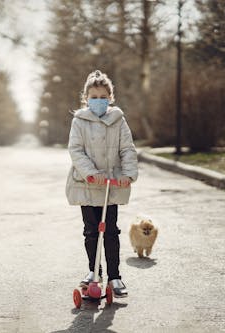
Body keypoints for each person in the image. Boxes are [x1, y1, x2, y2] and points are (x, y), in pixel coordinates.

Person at [65, 70, 138, 298]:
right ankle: (93, 272)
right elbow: (75, 150)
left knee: (110, 232)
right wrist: (90, 172)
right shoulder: (79, 121)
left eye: (102, 96)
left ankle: (115, 276)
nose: (98, 101)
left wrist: (128, 174)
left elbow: (127, 149)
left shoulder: (118, 120)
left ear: (110, 97)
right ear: (86, 98)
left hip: (110, 185)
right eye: (94, 97)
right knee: (91, 231)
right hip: (87, 184)